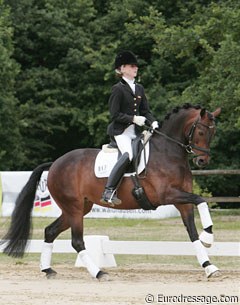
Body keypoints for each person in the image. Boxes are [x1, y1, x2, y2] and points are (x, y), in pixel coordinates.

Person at [100, 50, 158, 206]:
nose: (135, 68)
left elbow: (146, 111)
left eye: (136, 66)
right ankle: (108, 191)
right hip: (120, 133)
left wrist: (153, 122)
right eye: (132, 66)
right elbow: (114, 114)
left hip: (136, 133)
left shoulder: (139, 88)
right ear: (123, 68)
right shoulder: (117, 89)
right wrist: (133, 118)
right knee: (129, 154)